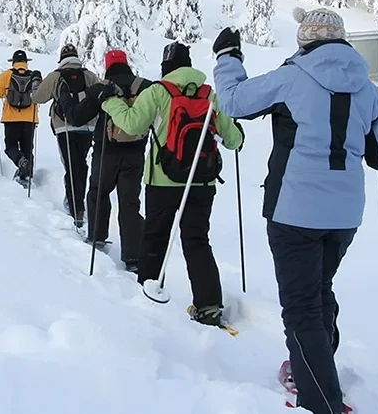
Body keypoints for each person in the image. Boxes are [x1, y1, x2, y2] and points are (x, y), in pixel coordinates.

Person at [212, 8, 378, 414]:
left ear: (305, 40)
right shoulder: (367, 89)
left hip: (294, 211)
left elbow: (232, 102)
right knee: (318, 291)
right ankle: (313, 369)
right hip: (345, 215)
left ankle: (322, 402)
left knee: (301, 308)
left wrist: (228, 58)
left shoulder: (293, 75)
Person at [100, 42, 243, 327]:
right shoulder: (209, 95)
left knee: (156, 236)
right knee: (198, 241)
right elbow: (234, 140)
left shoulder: (158, 91)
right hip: (202, 182)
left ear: (166, 68)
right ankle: (209, 305)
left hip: (163, 180)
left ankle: (147, 295)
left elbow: (131, 124)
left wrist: (108, 102)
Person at [59, 49, 152, 271]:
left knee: (98, 193)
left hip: (106, 151)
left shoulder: (101, 89)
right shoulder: (145, 87)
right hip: (136, 153)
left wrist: (66, 100)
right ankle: (133, 257)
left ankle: (97, 238)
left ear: (107, 65)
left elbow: (77, 117)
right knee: (130, 202)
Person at [32, 43, 100, 228]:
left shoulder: (56, 76)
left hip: (64, 128)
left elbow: (38, 98)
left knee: (71, 166)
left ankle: (75, 206)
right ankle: (79, 203)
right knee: (81, 163)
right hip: (88, 127)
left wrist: (35, 83)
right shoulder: (88, 75)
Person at [0, 50, 41, 187]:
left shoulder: (7, 75)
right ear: (26, 62)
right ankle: (27, 175)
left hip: (11, 119)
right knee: (28, 148)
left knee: (11, 146)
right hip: (30, 119)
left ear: (13, 62)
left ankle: (20, 161)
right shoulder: (34, 77)